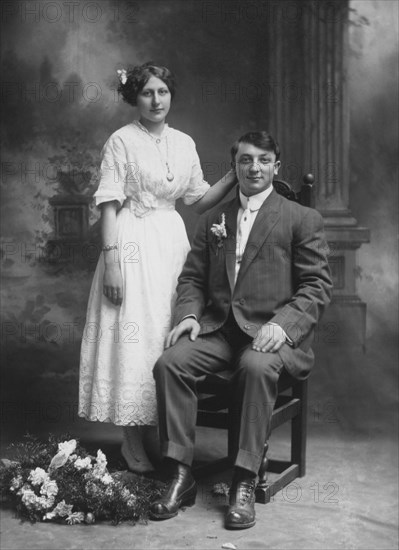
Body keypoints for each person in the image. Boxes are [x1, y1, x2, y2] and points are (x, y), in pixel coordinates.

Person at [149, 131, 333, 528]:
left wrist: (283, 327)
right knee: (170, 364)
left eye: (264, 160)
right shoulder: (214, 219)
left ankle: (244, 480)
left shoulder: (301, 218)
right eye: (246, 160)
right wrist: (188, 316)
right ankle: (180, 472)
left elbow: (317, 286)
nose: (255, 168)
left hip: (273, 336)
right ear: (234, 168)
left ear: (276, 166)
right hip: (219, 330)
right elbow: (193, 279)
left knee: (254, 366)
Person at [78, 62, 237, 473]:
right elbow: (109, 204)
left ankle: (170, 439)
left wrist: (235, 176)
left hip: (171, 242)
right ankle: (132, 442)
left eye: (163, 91)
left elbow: (197, 199)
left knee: (169, 328)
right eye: (148, 92)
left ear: (171, 95)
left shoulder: (185, 142)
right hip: (131, 242)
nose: (156, 100)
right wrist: (113, 263)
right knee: (134, 333)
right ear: (136, 97)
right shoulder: (121, 141)